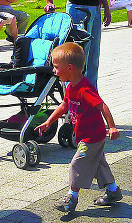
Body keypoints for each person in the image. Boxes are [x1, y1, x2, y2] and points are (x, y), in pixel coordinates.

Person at [34, 42, 122, 213]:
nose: (54, 70)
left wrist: (112, 127)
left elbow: (102, 106)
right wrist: (49, 121)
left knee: (77, 163)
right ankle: (113, 190)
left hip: (92, 137)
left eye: (56, 67)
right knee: (98, 164)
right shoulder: (70, 87)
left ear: (70, 68)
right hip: (85, 135)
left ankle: (71, 198)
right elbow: (64, 105)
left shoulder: (85, 89)